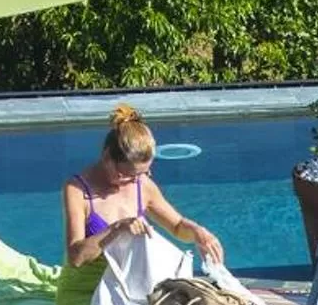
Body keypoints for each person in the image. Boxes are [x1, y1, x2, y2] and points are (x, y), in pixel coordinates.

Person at [63, 105, 223, 276]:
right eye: (126, 175)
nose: (134, 181)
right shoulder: (77, 190)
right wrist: (117, 228)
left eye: (142, 173)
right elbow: (76, 258)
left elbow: (176, 226)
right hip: (87, 288)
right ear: (107, 157)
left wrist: (198, 232)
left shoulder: (142, 184)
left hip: (131, 284)